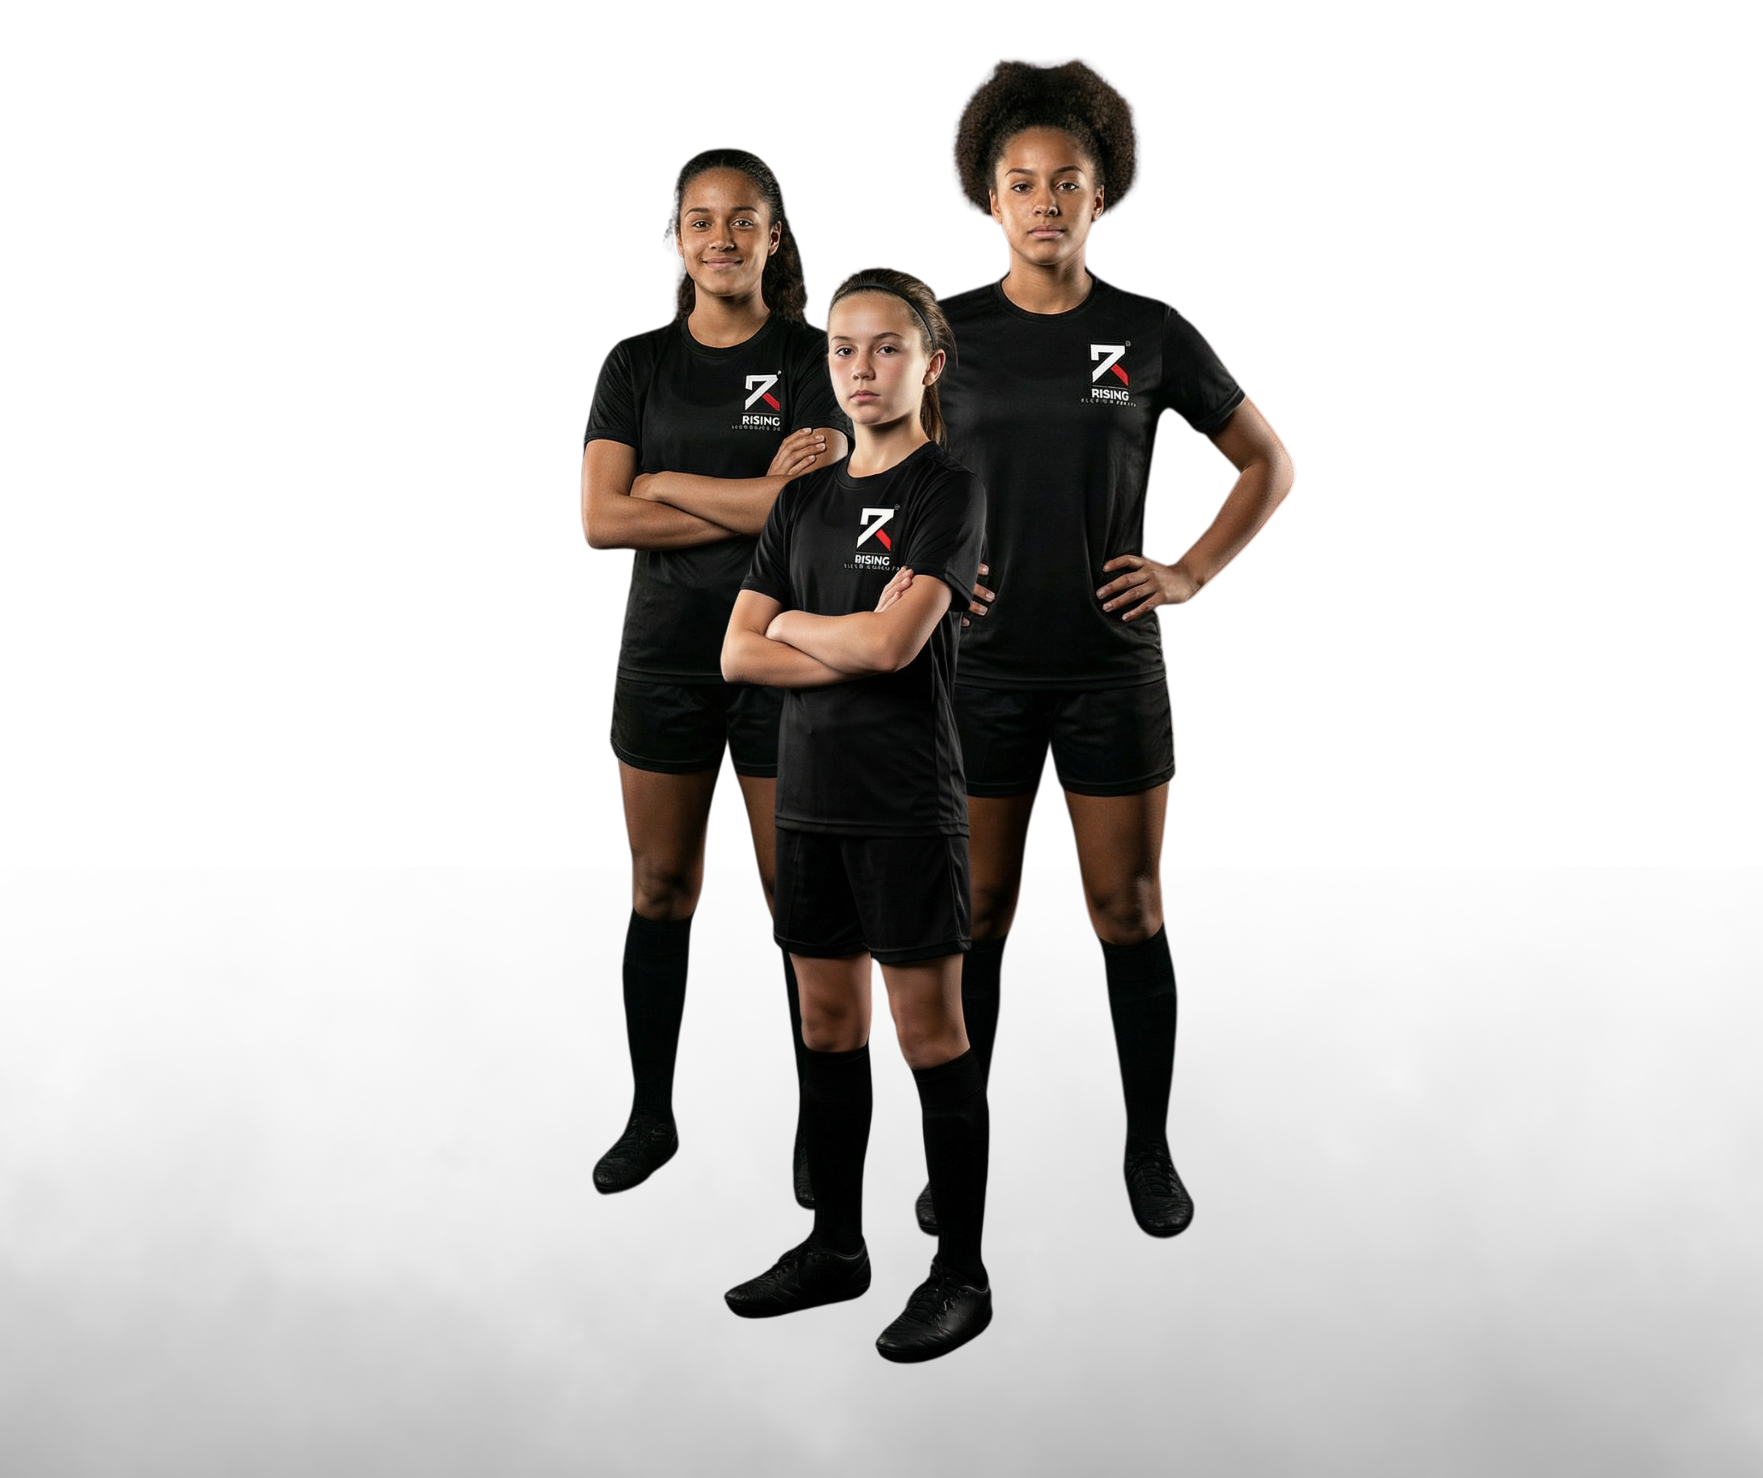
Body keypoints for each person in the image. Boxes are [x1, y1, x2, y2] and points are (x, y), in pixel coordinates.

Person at [919, 61, 1296, 1239]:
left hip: (1107, 669)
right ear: (988, 195)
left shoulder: (1146, 333)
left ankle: (1147, 1146)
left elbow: (1267, 462)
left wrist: (1187, 570)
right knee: (974, 915)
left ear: (1100, 193)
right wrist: (914, 576)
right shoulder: (942, 335)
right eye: (1021, 181)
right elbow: (860, 474)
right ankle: (957, 1154)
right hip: (974, 673)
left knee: (1126, 908)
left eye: (1066, 182)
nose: (1044, 201)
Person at [720, 269, 991, 1362]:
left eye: (885, 348)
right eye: (841, 348)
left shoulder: (948, 490)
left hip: (903, 804)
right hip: (809, 803)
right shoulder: (801, 500)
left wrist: (795, 624)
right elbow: (735, 654)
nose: (861, 369)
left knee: (931, 1037)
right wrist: (820, 631)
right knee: (826, 1029)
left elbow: (893, 646)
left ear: (930, 364)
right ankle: (835, 1248)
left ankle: (960, 1274)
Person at [580, 148, 850, 1200]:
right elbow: (602, 519)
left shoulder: (815, 358)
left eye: (743, 219)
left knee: (800, 900)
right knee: (660, 888)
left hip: (783, 654)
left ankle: (820, 1128)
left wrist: (666, 481)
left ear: (773, 237)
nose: (722, 237)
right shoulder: (634, 365)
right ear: (677, 236)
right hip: (662, 661)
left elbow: (813, 510)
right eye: (701, 219)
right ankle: (650, 1115)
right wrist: (749, 494)